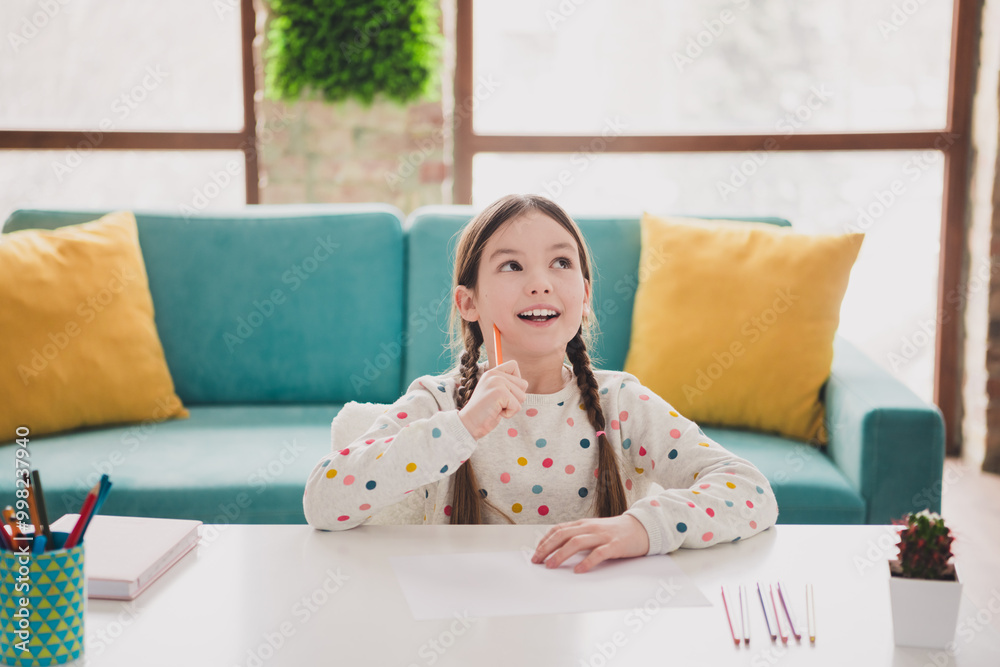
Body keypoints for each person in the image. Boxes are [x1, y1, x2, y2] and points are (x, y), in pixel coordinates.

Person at [303, 194, 779, 573]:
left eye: (561, 263)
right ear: (468, 303)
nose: (540, 283)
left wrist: (642, 527)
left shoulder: (622, 403)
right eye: (512, 266)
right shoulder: (439, 402)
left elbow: (751, 491)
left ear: (585, 296)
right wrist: (462, 427)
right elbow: (323, 501)